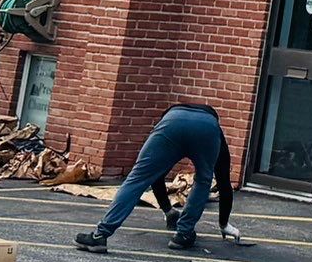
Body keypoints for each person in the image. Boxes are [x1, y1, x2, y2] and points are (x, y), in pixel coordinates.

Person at [76, 101, 234, 252]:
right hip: (206, 127)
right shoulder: (215, 129)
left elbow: (156, 177)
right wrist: (223, 223)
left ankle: (100, 235)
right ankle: (183, 234)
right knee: (203, 180)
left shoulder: (166, 119)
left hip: (172, 122)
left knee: (137, 178)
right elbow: (224, 182)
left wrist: (168, 210)